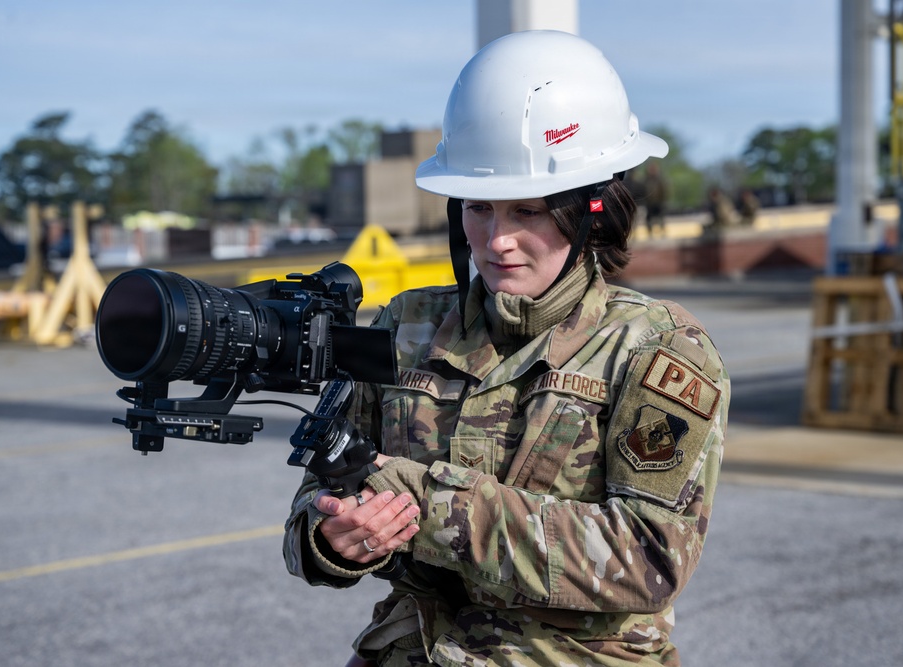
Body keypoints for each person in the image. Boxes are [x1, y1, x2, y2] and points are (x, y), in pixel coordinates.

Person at [284, 30, 730, 667]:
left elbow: (649, 558)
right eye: (479, 208)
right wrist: (332, 538)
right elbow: (311, 500)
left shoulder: (658, 351)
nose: (498, 241)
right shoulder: (404, 326)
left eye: (529, 210)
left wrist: (428, 504)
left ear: (593, 213)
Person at [642, 162, 669, 238]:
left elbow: (664, 191)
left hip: (659, 202)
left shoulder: (660, 180)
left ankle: (663, 232)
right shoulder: (646, 180)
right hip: (649, 203)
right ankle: (650, 233)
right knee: (649, 219)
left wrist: (663, 201)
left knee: (661, 217)